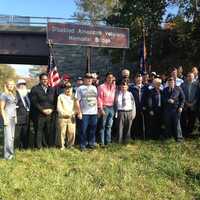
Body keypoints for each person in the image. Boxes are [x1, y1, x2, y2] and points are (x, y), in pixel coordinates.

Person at [30, 73, 56, 148]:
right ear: (40, 80)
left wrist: (52, 109)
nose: (45, 81)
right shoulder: (35, 89)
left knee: (48, 130)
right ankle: (38, 146)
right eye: (43, 79)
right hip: (39, 114)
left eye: (46, 79)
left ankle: (46, 145)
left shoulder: (52, 89)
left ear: (48, 80)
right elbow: (34, 102)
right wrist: (42, 110)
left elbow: (55, 101)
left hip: (49, 114)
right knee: (39, 131)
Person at [75, 73, 98, 151]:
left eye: (90, 78)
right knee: (83, 130)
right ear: (84, 79)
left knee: (93, 129)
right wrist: (79, 112)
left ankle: (91, 143)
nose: (89, 79)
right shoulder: (80, 88)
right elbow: (77, 101)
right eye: (87, 78)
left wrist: (98, 110)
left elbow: (96, 99)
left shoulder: (94, 88)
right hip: (84, 113)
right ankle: (82, 145)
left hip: (94, 113)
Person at [57, 82, 80, 150]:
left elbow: (76, 107)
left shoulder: (74, 97)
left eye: (69, 88)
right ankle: (62, 146)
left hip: (71, 117)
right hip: (62, 117)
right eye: (66, 88)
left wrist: (72, 113)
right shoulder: (60, 96)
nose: (68, 90)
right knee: (62, 132)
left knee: (72, 132)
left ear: (72, 88)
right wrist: (64, 113)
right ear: (64, 89)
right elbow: (59, 107)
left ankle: (70, 145)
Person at [163, 77, 185, 142]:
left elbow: (183, 98)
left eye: (172, 82)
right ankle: (168, 137)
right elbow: (162, 98)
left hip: (176, 109)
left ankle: (179, 138)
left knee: (177, 124)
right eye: (169, 82)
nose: (171, 83)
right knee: (168, 124)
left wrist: (181, 107)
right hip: (167, 109)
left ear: (174, 82)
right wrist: (167, 100)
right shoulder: (165, 90)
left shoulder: (178, 88)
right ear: (168, 83)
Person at [98, 72, 116, 146]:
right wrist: (101, 109)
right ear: (106, 78)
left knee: (109, 126)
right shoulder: (101, 87)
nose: (110, 79)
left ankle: (108, 142)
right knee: (102, 126)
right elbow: (99, 98)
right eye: (109, 77)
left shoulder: (114, 86)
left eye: (111, 78)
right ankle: (102, 143)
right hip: (104, 107)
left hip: (112, 108)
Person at [0, 79, 17, 159]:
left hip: (13, 117)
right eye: (9, 84)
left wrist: (15, 117)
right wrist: (5, 119)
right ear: (6, 85)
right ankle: (7, 156)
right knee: (8, 137)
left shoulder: (12, 94)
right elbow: (2, 108)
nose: (11, 86)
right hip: (7, 117)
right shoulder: (4, 95)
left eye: (12, 84)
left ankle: (11, 154)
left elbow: (14, 107)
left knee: (12, 137)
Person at [181, 72, 199, 137]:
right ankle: (185, 133)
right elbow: (182, 95)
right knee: (185, 119)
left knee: (192, 119)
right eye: (188, 76)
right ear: (187, 77)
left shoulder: (197, 85)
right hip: (185, 105)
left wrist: (193, 103)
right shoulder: (183, 85)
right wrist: (186, 102)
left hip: (193, 105)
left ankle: (190, 133)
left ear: (193, 77)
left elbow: (197, 95)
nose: (190, 77)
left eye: (191, 76)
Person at [129, 74, 146, 139]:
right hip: (134, 107)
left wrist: (145, 106)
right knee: (134, 121)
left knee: (142, 121)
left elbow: (147, 98)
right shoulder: (131, 88)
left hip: (143, 107)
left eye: (140, 79)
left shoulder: (145, 88)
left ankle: (141, 135)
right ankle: (134, 135)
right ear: (135, 80)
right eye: (137, 79)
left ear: (142, 80)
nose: (139, 80)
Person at [15, 79, 30, 149]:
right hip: (19, 116)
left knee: (26, 132)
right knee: (18, 133)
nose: (22, 86)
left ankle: (25, 147)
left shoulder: (27, 93)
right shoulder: (15, 93)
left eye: (24, 84)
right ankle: (17, 147)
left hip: (27, 116)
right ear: (18, 85)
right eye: (20, 84)